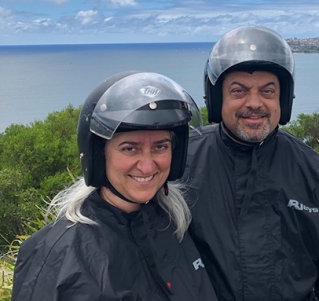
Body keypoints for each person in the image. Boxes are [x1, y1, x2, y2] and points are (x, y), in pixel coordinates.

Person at [183, 26, 319, 300]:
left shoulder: (312, 170)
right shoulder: (181, 163)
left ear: (283, 99)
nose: (254, 103)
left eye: (268, 91)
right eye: (239, 90)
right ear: (218, 98)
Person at [12, 71, 218, 301]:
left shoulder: (173, 223)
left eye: (160, 147)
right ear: (99, 155)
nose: (148, 166)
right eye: (130, 148)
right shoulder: (60, 253)